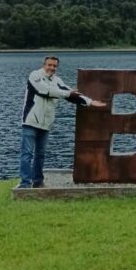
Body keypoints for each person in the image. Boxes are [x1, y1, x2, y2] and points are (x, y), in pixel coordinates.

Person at [17, 55, 106, 188]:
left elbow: (70, 94)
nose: (52, 68)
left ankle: (38, 182)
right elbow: (45, 91)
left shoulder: (57, 80)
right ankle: (24, 184)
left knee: (40, 155)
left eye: (54, 66)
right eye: (49, 65)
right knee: (27, 154)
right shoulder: (35, 75)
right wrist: (68, 93)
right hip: (30, 121)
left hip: (46, 123)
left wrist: (90, 102)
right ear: (44, 65)